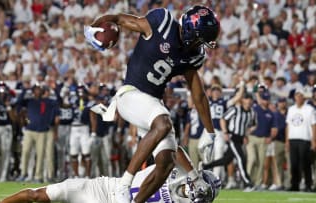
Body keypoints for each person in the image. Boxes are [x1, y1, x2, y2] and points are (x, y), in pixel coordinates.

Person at [85, 5, 219, 203]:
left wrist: (210, 131)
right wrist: (93, 28)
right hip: (130, 95)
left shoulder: (192, 55)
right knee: (163, 124)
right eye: (202, 40)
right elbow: (119, 18)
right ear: (192, 32)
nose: (203, 45)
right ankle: (124, 186)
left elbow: (198, 94)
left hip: (151, 105)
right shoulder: (161, 23)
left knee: (166, 161)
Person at [0, 146, 221, 203]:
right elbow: (175, 150)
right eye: (199, 186)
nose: (195, 192)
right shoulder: (177, 171)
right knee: (39, 196)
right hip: (103, 189)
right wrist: (194, 175)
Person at [203, 93, 256, 191]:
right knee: (241, 159)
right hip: (233, 137)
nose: (248, 103)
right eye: (246, 100)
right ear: (242, 100)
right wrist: (225, 132)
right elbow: (223, 119)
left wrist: (246, 134)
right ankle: (248, 184)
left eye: (250, 101)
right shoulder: (235, 109)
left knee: (226, 160)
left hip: (240, 138)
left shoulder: (252, 112)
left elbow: (252, 125)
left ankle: (206, 166)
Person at [286, 88, 316, 192]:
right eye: (297, 96)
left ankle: (308, 185)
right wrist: (287, 140)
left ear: (303, 97)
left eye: (300, 96)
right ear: (294, 97)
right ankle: (295, 185)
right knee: (294, 164)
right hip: (293, 138)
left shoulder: (309, 109)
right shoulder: (291, 109)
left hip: (305, 138)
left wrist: (313, 140)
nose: (298, 98)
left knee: (305, 163)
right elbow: (288, 125)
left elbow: (313, 125)